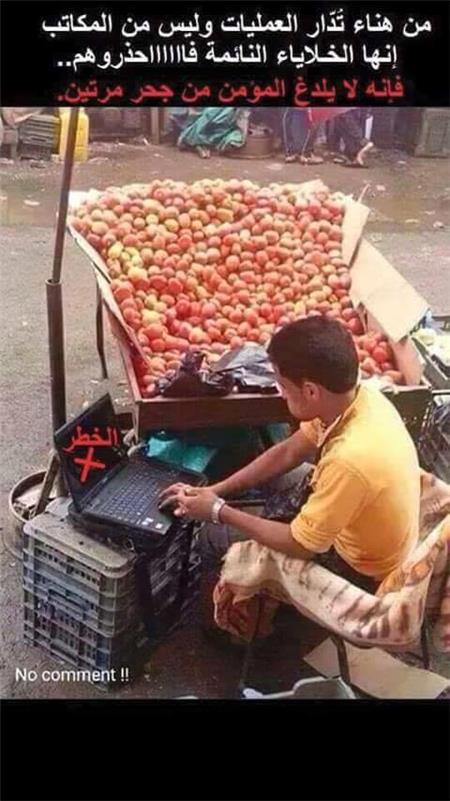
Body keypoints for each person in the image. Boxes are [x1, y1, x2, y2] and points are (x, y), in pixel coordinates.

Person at [159, 318, 421, 594]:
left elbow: (301, 545)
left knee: (211, 536)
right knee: (272, 477)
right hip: (359, 517)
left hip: (358, 567)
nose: (281, 393)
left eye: (283, 385)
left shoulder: (349, 460)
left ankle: (222, 616)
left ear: (311, 391)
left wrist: (217, 511)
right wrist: (215, 490)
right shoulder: (357, 398)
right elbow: (288, 452)